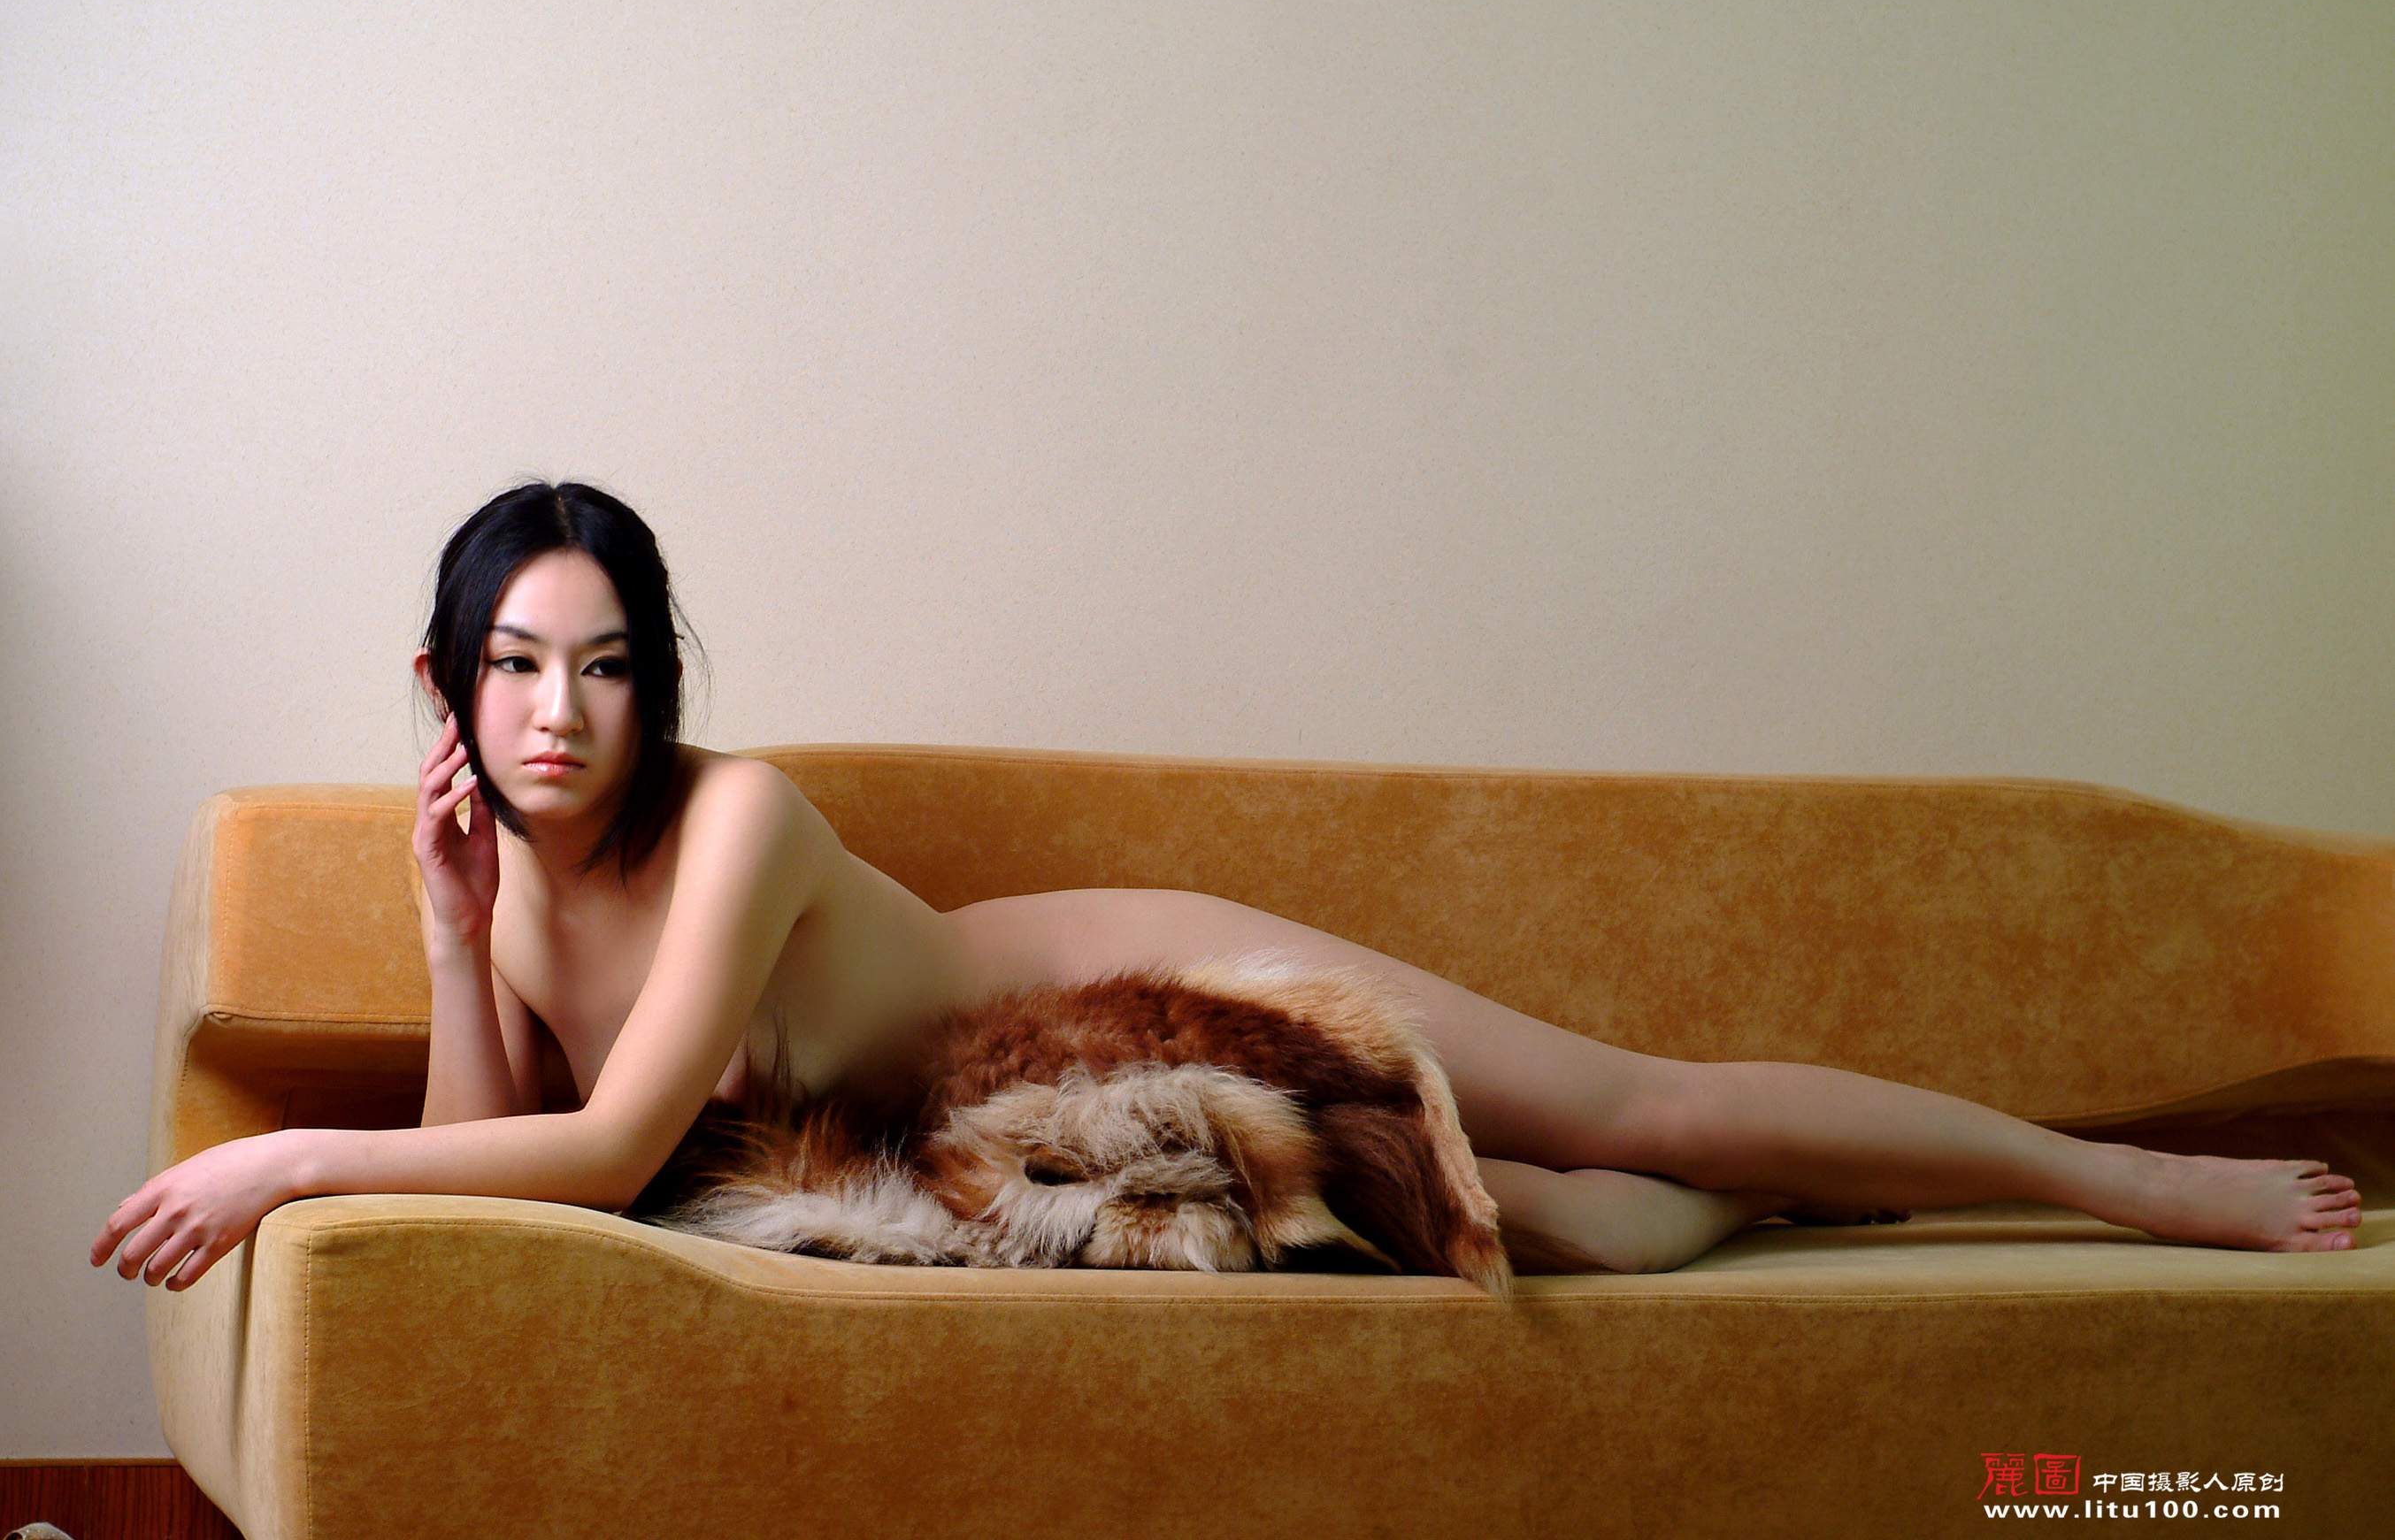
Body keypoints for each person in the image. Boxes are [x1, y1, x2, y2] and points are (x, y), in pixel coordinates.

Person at [94, 477, 2363, 1292]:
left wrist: (289, 1159)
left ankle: (2126, 1186)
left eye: (603, 664)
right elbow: (487, 1167)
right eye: (512, 665)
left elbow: (596, 1157)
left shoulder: (742, 815)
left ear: (658, 682)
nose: (558, 712)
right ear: (446, 682)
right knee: (1574, 1229)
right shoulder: (496, 875)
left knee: (1630, 1106)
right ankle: (1787, 1204)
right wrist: (442, 934)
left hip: (1130, 1004)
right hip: (1032, 1158)